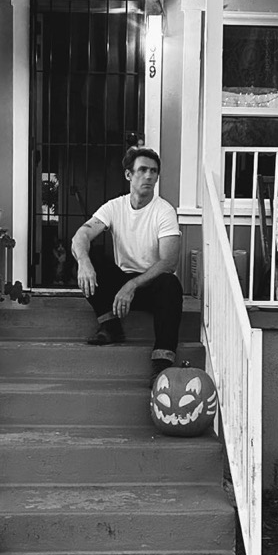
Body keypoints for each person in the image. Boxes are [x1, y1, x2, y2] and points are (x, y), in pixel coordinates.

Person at [71, 147, 183, 384]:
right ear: (128, 175)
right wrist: (84, 263)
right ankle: (110, 325)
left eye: (154, 171)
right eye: (142, 170)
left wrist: (132, 285)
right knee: (87, 261)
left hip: (151, 285)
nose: (149, 176)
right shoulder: (115, 207)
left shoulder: (164, 211)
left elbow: (169, 262)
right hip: (121, 283)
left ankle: (162, 360)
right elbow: (81, 235)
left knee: (171, 284)